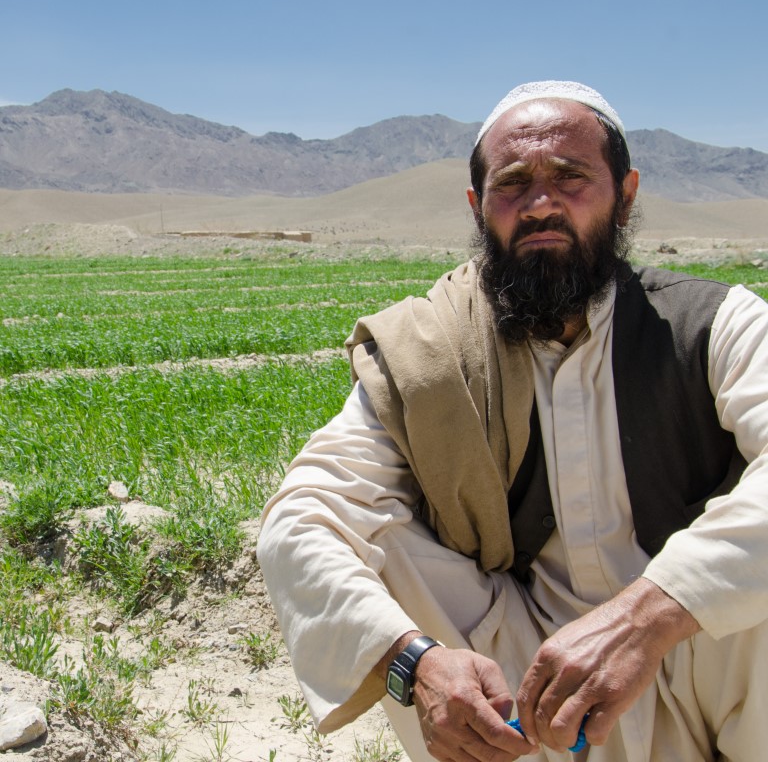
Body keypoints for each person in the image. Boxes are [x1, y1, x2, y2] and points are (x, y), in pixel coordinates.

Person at [256, 81, 768, 762]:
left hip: (709, 663)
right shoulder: (436, 351)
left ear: (627, 192)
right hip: (528, 687)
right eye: (513, 182)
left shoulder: (714, 326)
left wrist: (651, 615)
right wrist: (415, 664)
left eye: (570, 176)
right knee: (369, 535)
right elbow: (301, 519)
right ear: (478, 205)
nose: (541, 202)